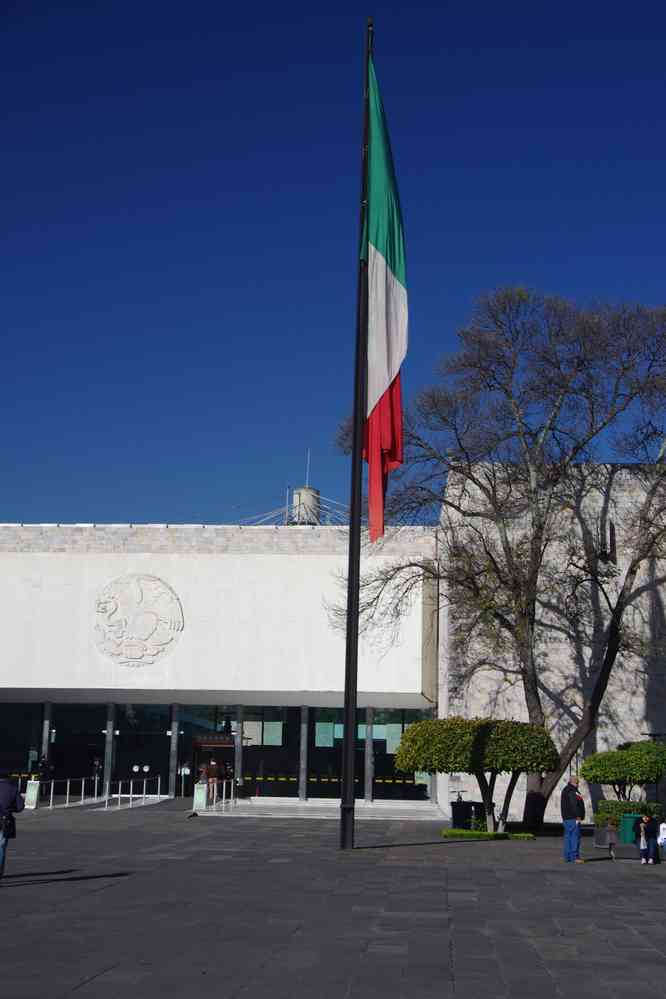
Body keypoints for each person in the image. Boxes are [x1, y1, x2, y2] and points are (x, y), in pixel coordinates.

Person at [0, 773, 25, 879]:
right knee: (1, 848)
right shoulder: (13, 788)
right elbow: (20, 807)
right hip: (4, 821)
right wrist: (10, 808)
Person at [560, 775, 586, 863]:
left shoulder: (566, 789)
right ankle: (575, 857)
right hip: (573, 817)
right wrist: (578, 815)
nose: (578, 784)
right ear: (574, 782)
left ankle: (568, 857)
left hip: (567, 817)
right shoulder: (572, 791)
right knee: (575, 837)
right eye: (577, 782)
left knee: (568, 837)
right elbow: (574, 804)